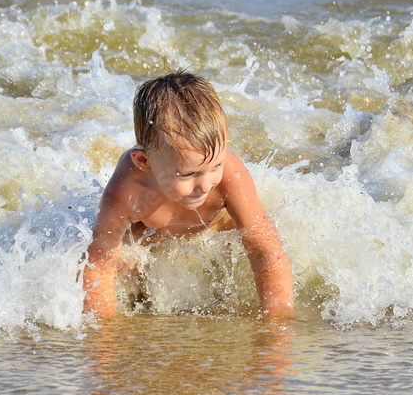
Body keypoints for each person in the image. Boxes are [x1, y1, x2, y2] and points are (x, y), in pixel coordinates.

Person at [80, 71, 294, 318]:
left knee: (233, 251)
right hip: (151, 231)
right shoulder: (129, 189)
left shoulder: (229, 176)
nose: (205, 185)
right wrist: (103, 335)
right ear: (143, 161)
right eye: (188, 174)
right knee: (123, 260)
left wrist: (279, 325)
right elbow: (99, 266)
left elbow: (265, 249)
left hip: (213, 226)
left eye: (216, 165)